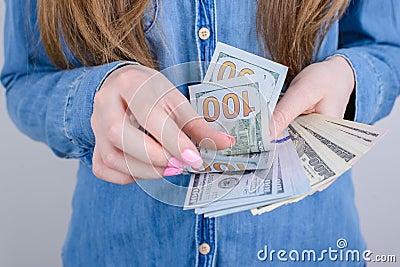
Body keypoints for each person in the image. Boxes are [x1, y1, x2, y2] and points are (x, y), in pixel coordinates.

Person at [2, 0, 399, 266]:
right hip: (120, 250)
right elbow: (23, 78)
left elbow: (388, 47)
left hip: (306, 246)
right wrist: (92, 98)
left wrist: (347, 76)